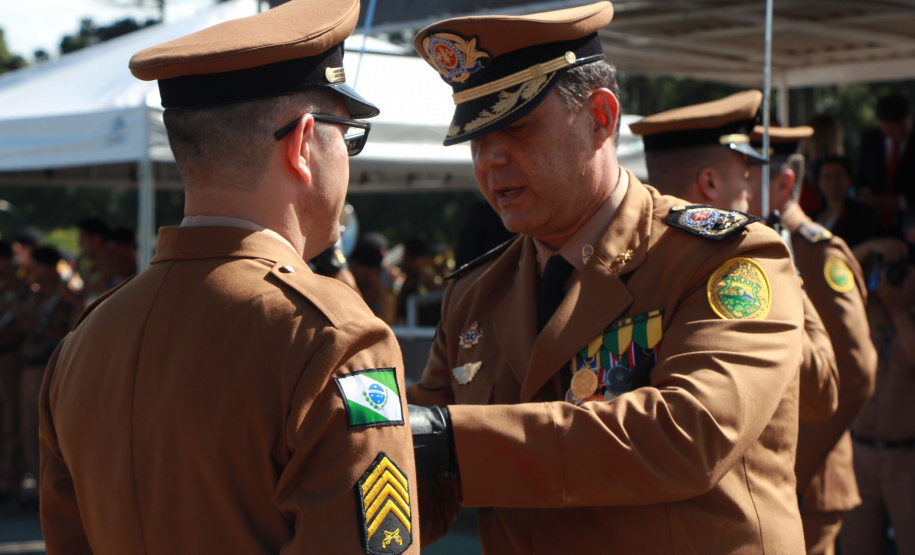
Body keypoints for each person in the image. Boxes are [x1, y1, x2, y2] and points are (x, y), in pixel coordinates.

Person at [406, 3, 806, 552]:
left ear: (601, 117)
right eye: (475, 139)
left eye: (516, 128)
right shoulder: (475, 294)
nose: (490, 159)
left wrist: (452, 442)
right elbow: (419, 472)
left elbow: (689, 435)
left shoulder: (727, 258)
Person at [38, 1, 418, 553]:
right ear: (305, 142)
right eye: (349, 135)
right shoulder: (334, 337)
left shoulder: (84, 340)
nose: (349, 158)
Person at [632, 94, 839, 427]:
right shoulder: (740, 269)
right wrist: (787, 276)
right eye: (744, 177)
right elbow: (822, 391)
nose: (750, 194)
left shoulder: (628, 259)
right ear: (710, 183)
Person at [749, 125, 877, 555]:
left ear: (784, 183)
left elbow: (856, 373)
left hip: (807, 481)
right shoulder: (757, 245)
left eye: (748, 174)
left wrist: (793, 472)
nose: (736, 185)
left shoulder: (817, 254)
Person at [842, 211, 915, 554]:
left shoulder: (902, 308)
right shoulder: (870, 300)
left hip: (906, 458)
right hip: (860, 453)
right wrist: (872, 247)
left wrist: (899, 308)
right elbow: (835, 277)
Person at [857, 94, 915, 237]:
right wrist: (864, 192)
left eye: (900, 130)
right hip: (874, 224)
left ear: (909, 119)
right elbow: (861, 177)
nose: (897, 136)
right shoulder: (871, 140)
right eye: (890, 132)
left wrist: (900, 202)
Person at [816, 155, 880, 247]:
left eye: (838, 176)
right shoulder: (812, 216)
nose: (833, 182)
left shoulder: (862, 216)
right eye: (827, 176)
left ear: (849, 180)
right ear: (819, 182)